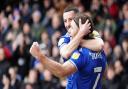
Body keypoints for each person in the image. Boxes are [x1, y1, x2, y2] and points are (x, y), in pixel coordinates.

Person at [29, 13, 107, 89]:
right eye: (65, 21)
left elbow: (61, 71)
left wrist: (40, 56)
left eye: (72, 28)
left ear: (81, 31)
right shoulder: (101, 51)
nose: (68, 31)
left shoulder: (81, 54)